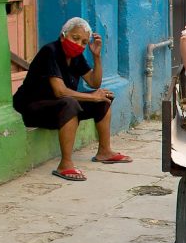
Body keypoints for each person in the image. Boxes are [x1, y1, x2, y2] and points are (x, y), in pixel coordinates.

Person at [12, 17, 132, 182]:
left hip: (58, 106)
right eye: (75, 38)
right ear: (63, 36)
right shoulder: (50, 51)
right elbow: (60, 91)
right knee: (70, 103)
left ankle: (104, 151)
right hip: (32, 108)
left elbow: (94, 82)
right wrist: (91, 96)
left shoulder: (75, 56)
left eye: (83, 42)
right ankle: (65, 164)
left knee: (103, 99)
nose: (79, 45)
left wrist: (96, 57)